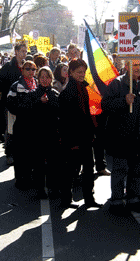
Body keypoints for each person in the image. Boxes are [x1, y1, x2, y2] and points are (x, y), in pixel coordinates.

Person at [101, 59, 140, 212]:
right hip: (121, 136)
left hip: (139, 136)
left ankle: (134, 200)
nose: (138, 68)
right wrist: (123, 101)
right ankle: (117, 202)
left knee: (137, 170)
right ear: (127, 66)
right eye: (134, 65)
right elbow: (105, 105)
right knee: (119, 171)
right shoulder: (117, 84)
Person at [58, 59, 100, 208]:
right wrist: (71, 141)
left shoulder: (86, 88)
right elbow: (65, 120)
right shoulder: (66, 93)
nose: (82, 75)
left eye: (83, 72)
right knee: (71, 170)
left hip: (86, 136)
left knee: (89, 169)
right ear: (71, 73)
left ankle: (89, 198)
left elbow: (91, 112)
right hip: (73, 138)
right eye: (79, 72)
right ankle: (66, 199)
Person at [6, 60, 38, 190]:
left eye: (33, 69)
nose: (31, 71)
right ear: (22, 70)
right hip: (21, 124)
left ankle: (29, 177)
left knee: (31, 153)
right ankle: (20, 179)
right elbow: (10, 104)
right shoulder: (16, 85)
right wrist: (25, 109)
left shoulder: (37, 83)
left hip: (34, 125)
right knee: (20, 153)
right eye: (28, 69)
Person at [31, 66, 61, 198]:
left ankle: (53, 187)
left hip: (52, 133)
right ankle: (40, 189)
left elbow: (60, 113)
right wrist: (39, 102)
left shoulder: (55, 93)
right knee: (38, 163)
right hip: (37, 134)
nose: (44, 79)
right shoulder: (33, 93)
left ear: (51, 79)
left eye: (47, 77)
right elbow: (28, 110)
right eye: (42, 77)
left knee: (53, 162)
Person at [0, 42, 28, 164]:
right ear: (16, 52)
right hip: (12, 103)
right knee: (11, 129)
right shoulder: (8, 67)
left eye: (26, 51)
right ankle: (9, 153)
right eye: (22, 51)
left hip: (25, 104)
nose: (24, 54)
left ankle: (21, 152)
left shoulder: (28, 65)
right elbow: (1, 85)